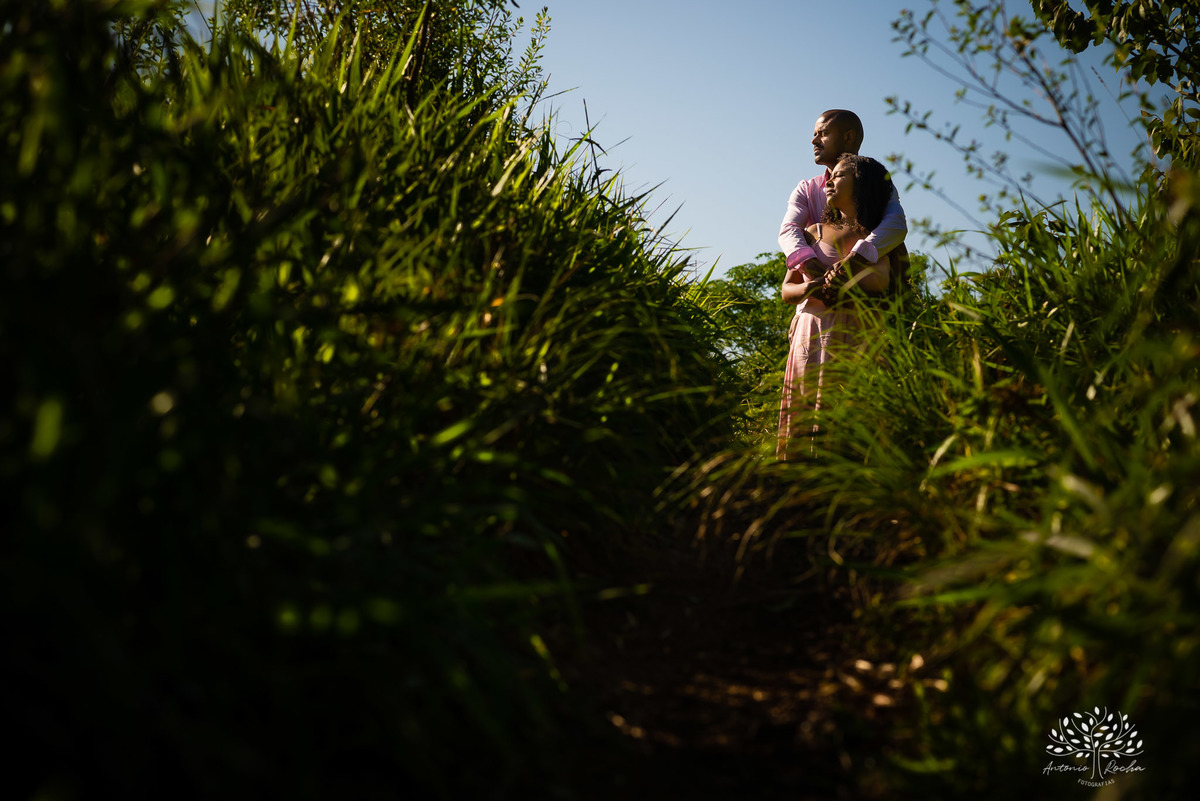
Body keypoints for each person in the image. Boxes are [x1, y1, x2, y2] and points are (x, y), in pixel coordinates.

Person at [776, 152, 899, 460]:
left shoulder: (880, 238)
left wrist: (847, 293)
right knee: (806, 420)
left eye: (840, 175)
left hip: (860, 336)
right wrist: (809, 287)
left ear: (861, 183)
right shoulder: (813, 232)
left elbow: (890, 289)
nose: (828, 181)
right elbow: (786, 290)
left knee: (855, 423)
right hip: (812, 335)